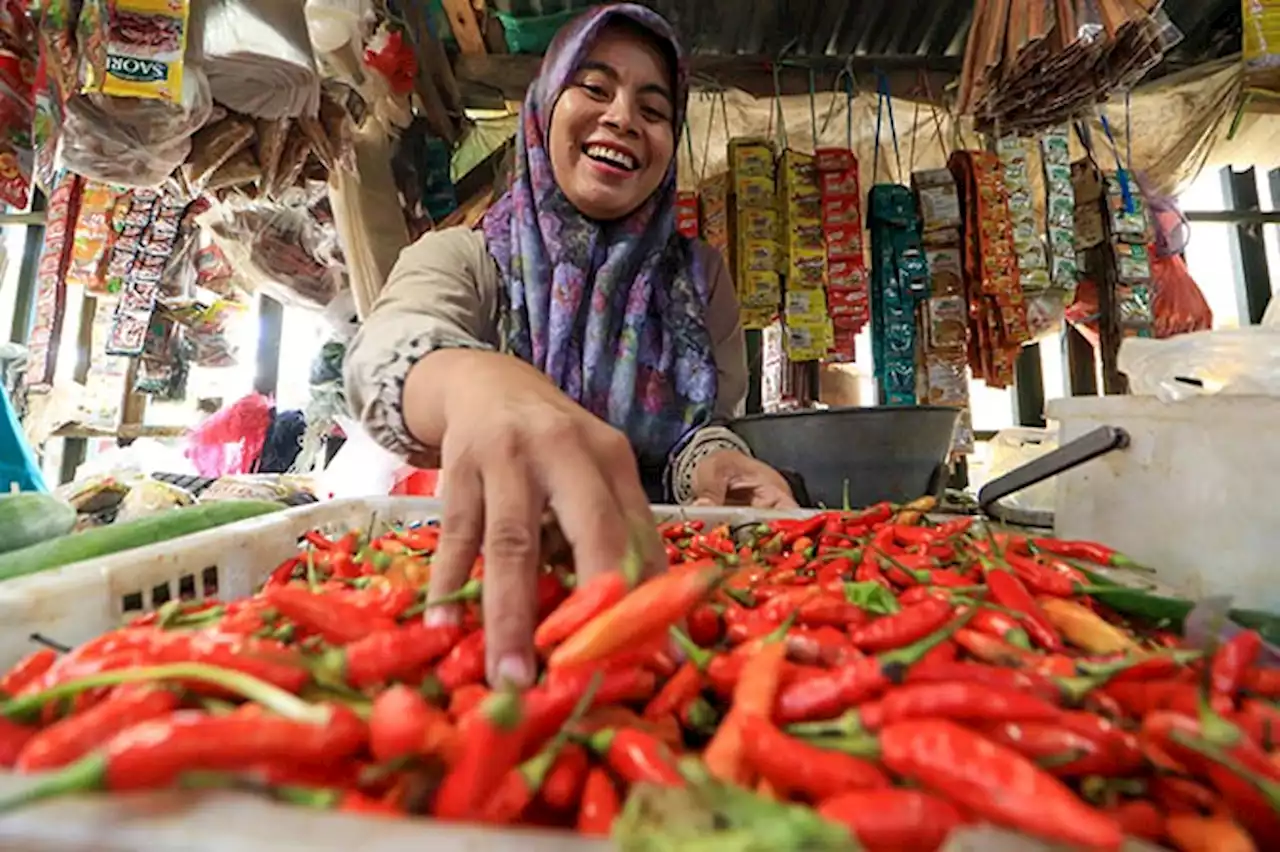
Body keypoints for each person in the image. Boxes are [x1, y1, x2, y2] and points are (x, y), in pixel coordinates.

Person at [345, 3, 796, 688]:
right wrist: (476, 384)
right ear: (543, 107)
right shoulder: (465, 259)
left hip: (655, 594)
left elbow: (700, 432)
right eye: (593, 87)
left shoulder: (700, 280)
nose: (622, 117)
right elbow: (385, 354)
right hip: (498, 580)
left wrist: (717, 465)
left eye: (654, 108)